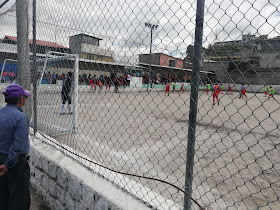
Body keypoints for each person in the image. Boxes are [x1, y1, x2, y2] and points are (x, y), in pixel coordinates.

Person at [0, 84, 31, 210]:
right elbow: (18, 146)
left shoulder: (1, 113)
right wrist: (8, 164)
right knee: (19, 198)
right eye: (24, 97)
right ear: (20, 100)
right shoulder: (21, 118)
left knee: (3, 196)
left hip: (1, 158)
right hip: (15, 163)